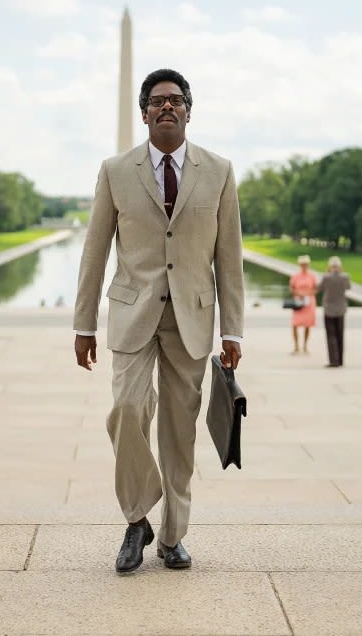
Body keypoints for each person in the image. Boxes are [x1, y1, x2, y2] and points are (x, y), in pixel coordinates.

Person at [74, 69, 244, 574]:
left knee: (178, 431)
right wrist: (83, 323)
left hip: (191, 316)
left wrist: (232, 330)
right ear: (144, 111)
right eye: (156, 101)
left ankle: (172, 536)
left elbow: (229, 255)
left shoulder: (219, 170)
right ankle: (136, 517)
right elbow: (94, 248)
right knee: (126, 410)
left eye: (175, 100)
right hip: (133, 311)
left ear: (189, 110)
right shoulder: (115, 170)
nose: (166, 107)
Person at [318, 256, 351, 367]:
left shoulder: (326, 277)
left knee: (331, 335)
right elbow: (348, 287)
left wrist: (327, 273)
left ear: (330, 267)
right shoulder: (345, 277)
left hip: (329, 309)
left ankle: (333, 360)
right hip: (341, 309)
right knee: (340, 335)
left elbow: (319, 288)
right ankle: (340, 360)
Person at [289, 254, 318, 354]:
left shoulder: (312, 276)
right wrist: (298, 293)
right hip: (298, 302)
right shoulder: (295, 276)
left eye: (305, 264)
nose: (304, 266)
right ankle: (296, 346)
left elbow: (315, 289)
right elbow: (291, 288)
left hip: (309, 302)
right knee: (295, 324)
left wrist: (307, 293)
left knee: (307, 325)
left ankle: (305, 345)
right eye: (302, 264)